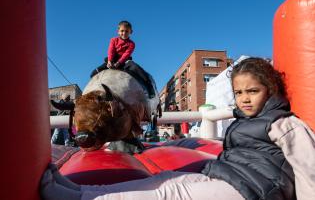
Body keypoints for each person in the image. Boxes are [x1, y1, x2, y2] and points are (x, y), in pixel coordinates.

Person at [41, 57, 315, 200]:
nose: (244, 98)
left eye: (253, 91)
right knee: (162, 181)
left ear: (272, 90)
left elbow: (309, 170)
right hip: (227, 176)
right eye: (239, 92)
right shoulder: (247, 119)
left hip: (255, 190)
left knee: (168, 193)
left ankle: (82, 199)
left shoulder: (284, 123)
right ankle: (78, 191)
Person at [90, 20, 156, 98]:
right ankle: (96, 88)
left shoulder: (131, 44)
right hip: (112, 60)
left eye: (126, 31)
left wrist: (119, 63)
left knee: (136, 68)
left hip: (124, 61)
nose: (124, 33)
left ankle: (149, 86)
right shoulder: (113, 40)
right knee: (94, 72)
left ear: (131, 32)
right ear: (118, 31)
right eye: (122, 31)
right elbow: (111, 51)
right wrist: (110, 61)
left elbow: (126, 54)